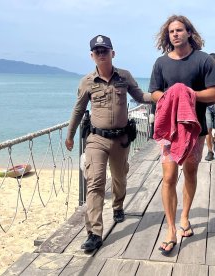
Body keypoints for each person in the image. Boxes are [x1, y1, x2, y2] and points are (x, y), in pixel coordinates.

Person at [65, 35, 151, 252]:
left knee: (120, 178)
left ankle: (118, 205)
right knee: (95, 183)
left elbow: (140, 96)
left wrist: (164, 95)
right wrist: (70, 135)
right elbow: (78, 109)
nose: (101, 54)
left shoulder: (125, 76)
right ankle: (94, 233)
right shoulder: (87, 82)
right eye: (97, 51)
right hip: (96, 139)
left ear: (113, 53)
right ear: (92, 56)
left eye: (105, 50)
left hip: (121, 139)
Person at [149, 15, 215, 255]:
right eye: (171, 31)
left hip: (196, 130)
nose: (175, 34)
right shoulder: (161, 63)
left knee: (190, 172)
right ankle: (170, 228)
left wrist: (189, 94)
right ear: (167, 35)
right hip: (170, 131)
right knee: (169, 177)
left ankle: (185, 217)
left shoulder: (203, 60)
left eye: (180, 30)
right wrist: (173, 96)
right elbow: (154, 93)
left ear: (189, 32)